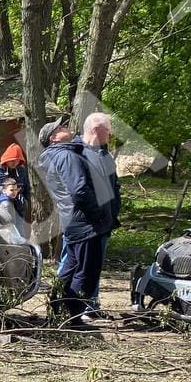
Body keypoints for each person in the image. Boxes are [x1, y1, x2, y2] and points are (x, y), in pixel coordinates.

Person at [40, 115, 113, 323]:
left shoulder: (64, 153)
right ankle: (72, 317)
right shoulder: (65, 156)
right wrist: (97, 214)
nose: (65, 126)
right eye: (60, 127)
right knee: (85, 272)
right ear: (53, 138)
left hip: (77, 222)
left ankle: (56, 311)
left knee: (71, 268)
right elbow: (79, 190)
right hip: (86, 224)